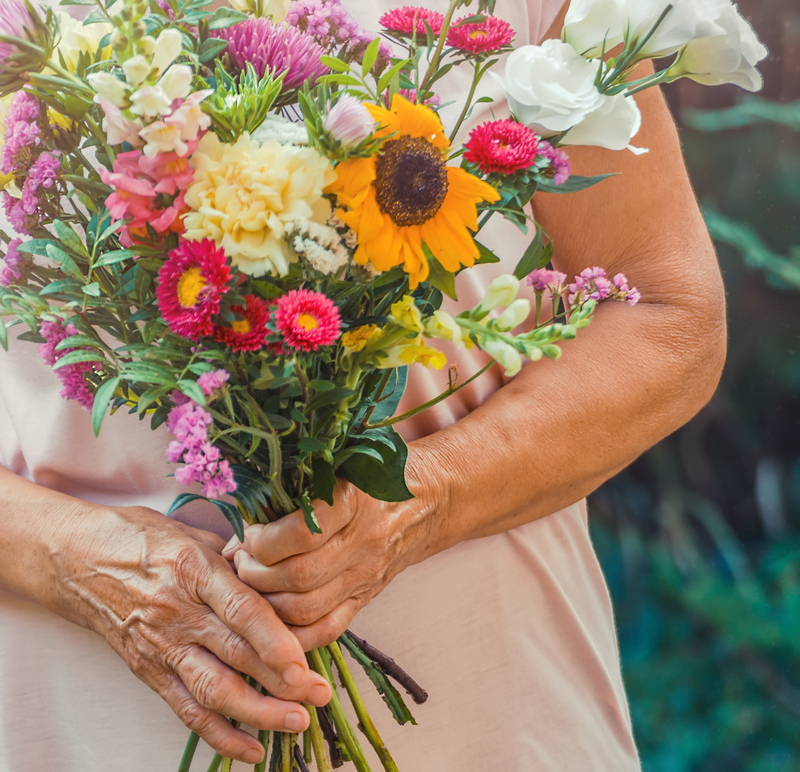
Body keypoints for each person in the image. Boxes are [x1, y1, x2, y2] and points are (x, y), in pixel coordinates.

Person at [0, 0, 726, 769]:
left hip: (494, 709)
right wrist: (69, 557)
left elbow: (669, 318)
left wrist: (428, 496)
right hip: (80, 720)